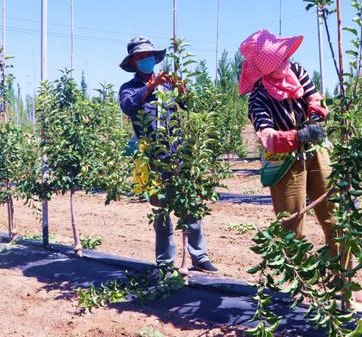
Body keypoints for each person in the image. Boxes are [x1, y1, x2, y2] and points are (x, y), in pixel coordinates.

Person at [119, 36, 218, 273]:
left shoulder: (168, 84)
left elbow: (190, 106)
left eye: (149, 55)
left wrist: (183, 90)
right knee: (161, 211)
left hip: (179, 154)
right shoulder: (128, 88)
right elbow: (129, 106)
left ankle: (199, 256)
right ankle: (165, 262)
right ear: (133, 60)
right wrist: (152, 86)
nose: (147, 59)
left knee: (191, 207)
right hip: (152, 159)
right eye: (141, 56)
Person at [239, 29, 336, 255]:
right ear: (266, 67)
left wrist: (314, 117)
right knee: (292, 226)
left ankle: (343, 280)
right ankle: (301, 285)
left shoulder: (296, 71)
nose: (286, 61)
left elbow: (315, 97)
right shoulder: (258, 98)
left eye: (285, 57)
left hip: (315, 152)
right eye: (279, 59)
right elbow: (267, 137)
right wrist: (299, 136)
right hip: (284, 162)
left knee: (334, 218)